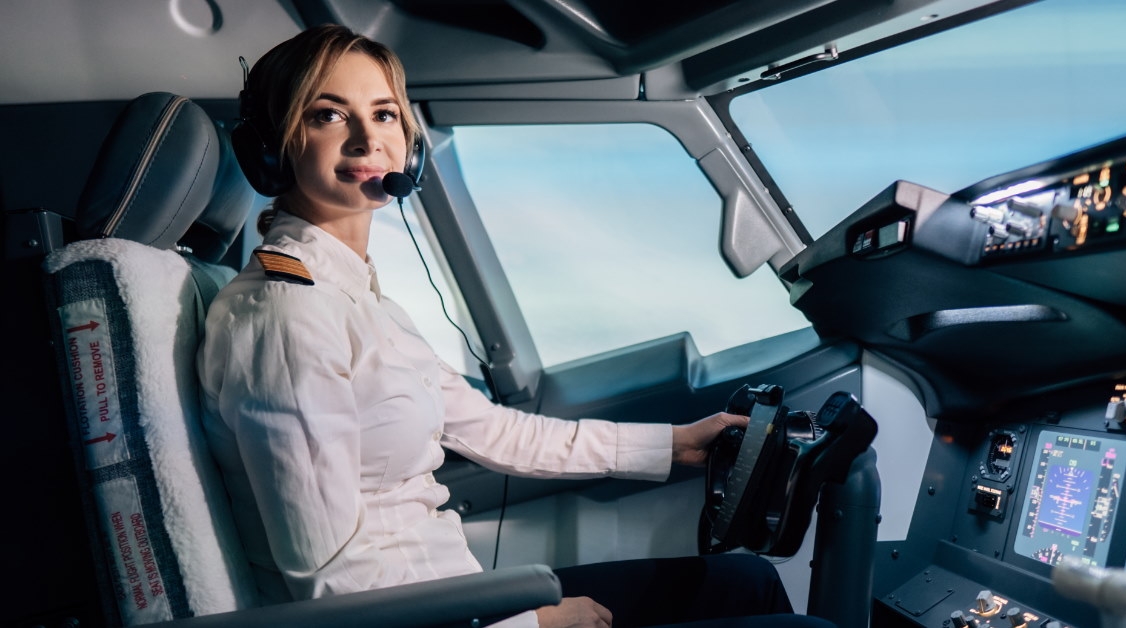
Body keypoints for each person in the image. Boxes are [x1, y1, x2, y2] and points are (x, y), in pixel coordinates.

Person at [198, 24, 835, 628]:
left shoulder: (358, 300)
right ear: (271, 149)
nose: (369, 139)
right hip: (423, 616)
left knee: (747, 582)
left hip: (450, 596)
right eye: (328, 115)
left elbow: (497, 432)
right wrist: (529, 622)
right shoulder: (286, 316)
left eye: (385, 114)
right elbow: (333, 578)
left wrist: (676, 443)